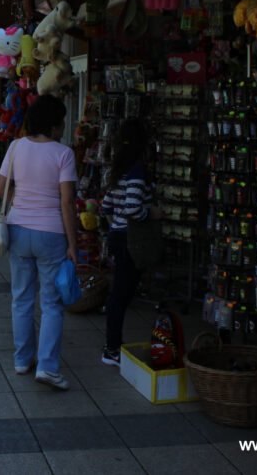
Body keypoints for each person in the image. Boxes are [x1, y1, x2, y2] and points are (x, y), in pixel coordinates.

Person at [0, 94, 77, 390]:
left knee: (21, 297)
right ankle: (48, 367)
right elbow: (67, 202)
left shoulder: (16, 147)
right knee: (52, 304)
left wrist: (22, 200)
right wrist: (73, 244)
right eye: (63, 120)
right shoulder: (64, 154)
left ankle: (21, 360)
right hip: (52, 234)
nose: (64, 126)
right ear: (54, 124)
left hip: (18, 230)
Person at [99, 118, 159, 367]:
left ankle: (112, 346)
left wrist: (116, 226)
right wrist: (152, 214)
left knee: (120, 294)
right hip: (130, 241)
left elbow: (106, 207)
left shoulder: (118, 170)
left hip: (118, 237)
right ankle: (112, 348)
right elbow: (134, 208)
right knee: (120, 296)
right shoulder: (137, 171)